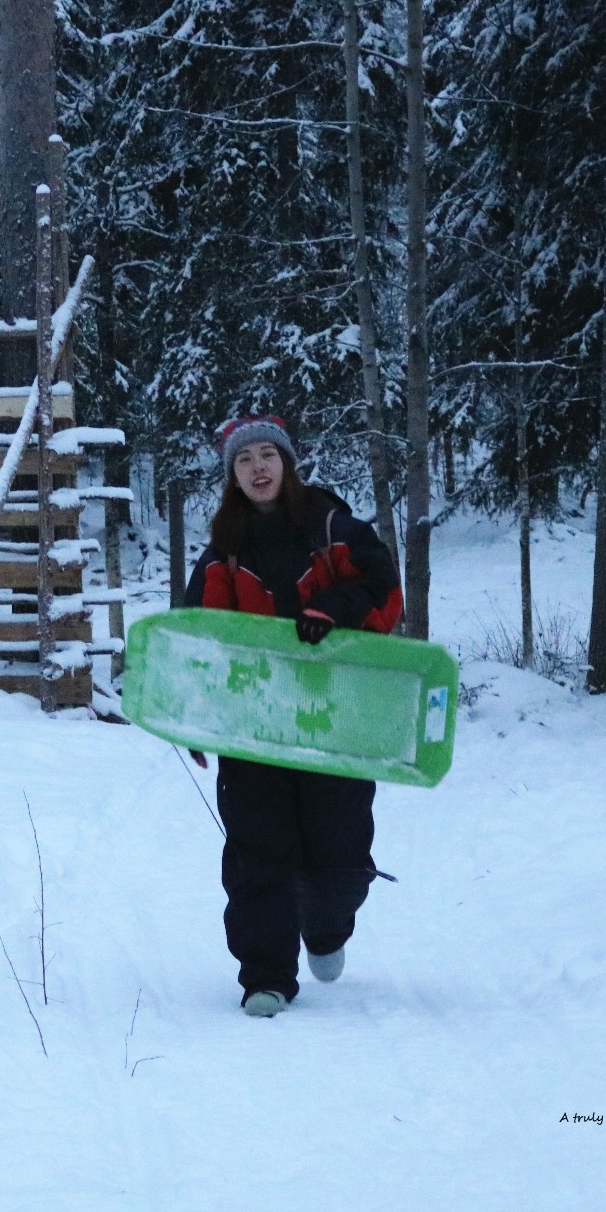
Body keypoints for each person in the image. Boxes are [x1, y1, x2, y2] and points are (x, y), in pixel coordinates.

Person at [182, 415, 404, 1018]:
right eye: (245, 460)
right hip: (252, 725)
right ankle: (266, 976)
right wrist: (194, 720)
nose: (258, 468)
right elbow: (196, 642)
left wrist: (333, 608)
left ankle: (326, 930)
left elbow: (384, 587)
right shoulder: (221, 552)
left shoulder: (333, 527)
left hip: (337, 717)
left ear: (286, 463)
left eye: (267, 456)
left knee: (340, 855)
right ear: (232, 475)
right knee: (258, 852)